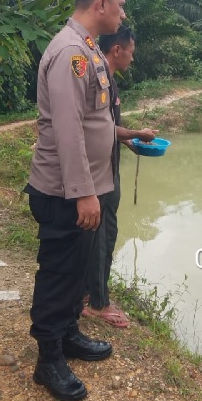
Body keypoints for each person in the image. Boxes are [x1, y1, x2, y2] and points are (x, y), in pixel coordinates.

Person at [24, 0, 126, 401]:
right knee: (59, 273)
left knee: (74, 273)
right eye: (120, 3)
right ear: (100, 4)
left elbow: (95, 121)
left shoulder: (87, 50)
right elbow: (68, 129)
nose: (123, 12)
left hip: (87, 188)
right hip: (65, 192)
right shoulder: (71, 53)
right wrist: (84, 192)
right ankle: (48, 359)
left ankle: (68, 334)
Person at [83, 25, 156, 328]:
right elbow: (98, 128)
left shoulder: (108, 80)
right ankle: (98, 303)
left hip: (108, 171)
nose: (132, 58)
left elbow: (111, 130)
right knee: (102, 237)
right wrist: (138, 132)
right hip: (99, 175)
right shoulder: (99, 79)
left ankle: (88, 293)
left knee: (103, 236)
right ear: (118, 49)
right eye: (131, 52)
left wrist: (130, 142)